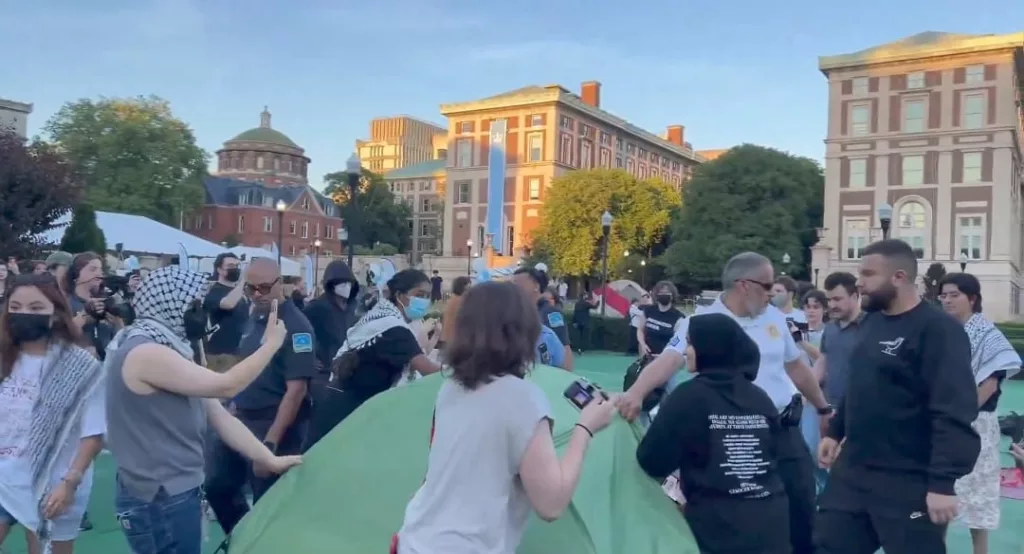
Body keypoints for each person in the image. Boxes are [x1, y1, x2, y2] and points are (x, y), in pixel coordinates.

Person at [620, 252, 831, 554]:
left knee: (802, 510)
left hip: (781, 431)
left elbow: (796, 366)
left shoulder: (774, 318)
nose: (773, 291)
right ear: (743, 284)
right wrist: (637, 392)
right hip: (730, 438)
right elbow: (668, 359)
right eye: (767, 284)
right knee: (736, 515)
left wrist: (823, 407)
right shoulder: (702, 321)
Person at [395, 282, 617, 554]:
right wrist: (585, 429)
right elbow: (551, 504)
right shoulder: (523, 399)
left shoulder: (450, 388)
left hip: (415, 540)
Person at [104, 267, 301, 554]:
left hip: (172, 492)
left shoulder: (168, 348)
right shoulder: (146, 353)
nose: (201, 313)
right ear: (169, 305)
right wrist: (271, 345)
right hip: (158, 497)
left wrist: (268, 458)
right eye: (194, 305)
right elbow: (226, 387)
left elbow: (218, 415)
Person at [815, 239, 981, 554]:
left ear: (899, 277)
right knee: (826, 546)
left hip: (908, 480)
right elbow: (861, 384)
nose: (859, 283)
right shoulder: (871, 323)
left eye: (867, 274)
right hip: (854, 473)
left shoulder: (938, 330)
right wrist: (836, 433)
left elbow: (953, 410)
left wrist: (942, 484)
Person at [637, 313, 789, 554]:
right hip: (772, 525)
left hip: (718, 530)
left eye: (691, 343)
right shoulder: (759, 398)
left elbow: (652, 460)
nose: (686, 351)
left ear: (710, 348)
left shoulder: (689, 397)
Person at [206, 258, 317, 533]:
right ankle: (242, 539)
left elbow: (297, 390)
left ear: (281, 285)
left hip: (274, 423)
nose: (257, 294)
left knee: (268, 502)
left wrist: (270, 444)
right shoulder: (253, 317)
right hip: (241, 418)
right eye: (250, 288)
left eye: (264, 288)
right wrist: (233, 403)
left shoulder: (297, 327)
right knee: (216, 485)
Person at [0, 274, 105, 554]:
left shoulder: (80, 367)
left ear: (55, 314)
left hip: (53, 481)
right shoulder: (3, 357)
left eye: (36, 308)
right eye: (16, 306)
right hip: (4, 477)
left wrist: (70, 483)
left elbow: (93, 434)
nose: (23, 314)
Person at [305, 269, 443, 451]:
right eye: (419, 295)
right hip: (346, 411)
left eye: (427, 296)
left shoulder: (381, 318)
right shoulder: (394, 329)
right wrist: (462, 369)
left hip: (341, 403)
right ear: (400, 295)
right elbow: (428, 370)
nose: (424, 301)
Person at [939, 272, 1021, 554]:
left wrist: (962, 413)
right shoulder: (944, 332)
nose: (947, 301)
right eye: (944, 295)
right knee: (942, 491)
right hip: (945, 423)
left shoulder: (987, 333)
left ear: (972, 298)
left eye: (954, 295)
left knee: (980, 497)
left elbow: (991, 381)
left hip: (978, 425)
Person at [304, 259, 360, 380]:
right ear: (331, 285)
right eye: (342, 283)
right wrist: (308, 358)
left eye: (349, 283)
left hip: (348, 371)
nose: (347, 286)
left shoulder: (353, 308)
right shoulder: (317, 307)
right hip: (324, 373)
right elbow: (300, 333)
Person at [795, 288, 828, 492]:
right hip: (798, 396)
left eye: (816, 307)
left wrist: (801, 342)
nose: (811, 311)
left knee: (815, 446)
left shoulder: (828, 333)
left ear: (824, 309)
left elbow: (824, 360)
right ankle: (812, 491)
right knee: (802, 447)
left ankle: (825, 490)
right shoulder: (798, 331)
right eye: (807, 307)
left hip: (819, 396)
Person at [513, 267, 574, 369]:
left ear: (536, 286)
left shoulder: (551, 312)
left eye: (518, 283)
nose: (514, 288)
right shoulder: (516, 313)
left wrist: (564, 376)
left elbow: (564, 346)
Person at [66, 252, 118, 360]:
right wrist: (85, 314)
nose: (99, 274)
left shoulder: (105, 302)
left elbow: (119, 337)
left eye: (100, 270)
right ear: (76, 273)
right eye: (93, 269)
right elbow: (61, 335)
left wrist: (117, 317)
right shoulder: (66, 302)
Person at [203, 253, 249, 373]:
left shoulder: (240, 292)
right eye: (230, 266)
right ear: (219, 269)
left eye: (237, 265)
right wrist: (243, 280)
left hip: (239, 352)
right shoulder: (213, 291)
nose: (235, 269)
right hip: (219, 355)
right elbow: (228, 304)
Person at [636, 281, 686, 359]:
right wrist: (642, 345)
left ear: (672, 296)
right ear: (656, 295)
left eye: (667, 292)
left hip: (665, 358)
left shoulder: (678, 317)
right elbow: (640, 330)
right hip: (646, 355)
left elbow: (678, 340)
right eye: (661, 292)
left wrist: (667, 353)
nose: (664, 295)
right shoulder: (648, 311)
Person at [439, 276, 471, 349]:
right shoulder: (460, 301)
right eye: (468, 287)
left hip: (447, 339)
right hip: (454, 340)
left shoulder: (453, 299)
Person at [571, 292, 597, 357]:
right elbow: (595, 307)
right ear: (583, 296)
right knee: (584, 337)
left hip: (578, 322)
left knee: (580, 336)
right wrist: (598, 301)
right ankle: (581, 349)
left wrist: (574, 322)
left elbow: (575, 313)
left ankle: (579, 348)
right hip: (585, 323)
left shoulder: (577, 304)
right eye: (586, 296)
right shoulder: (586, 303)